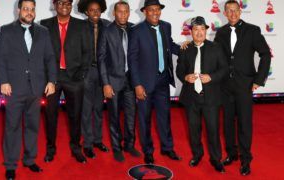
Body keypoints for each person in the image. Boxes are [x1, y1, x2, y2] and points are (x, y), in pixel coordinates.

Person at [0, 0, 57, 179]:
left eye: (32, 9)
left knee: (32, 126)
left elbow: (50, 58)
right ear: (18, 10)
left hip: (36, 88)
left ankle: (30, 160)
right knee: (12, 127)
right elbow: (0, 59)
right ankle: (10, 165)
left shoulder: (43, 32)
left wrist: (52, 80)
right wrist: (4, 81)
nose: (29, 12)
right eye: (26, 9)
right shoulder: (6, 31)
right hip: (13, 88)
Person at [214, 0, 271, 176]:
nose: (232, 13)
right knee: (228, 123)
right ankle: (232, 154)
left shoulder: (252, 30)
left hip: (245, 85)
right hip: (225, 86)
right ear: (224, 13)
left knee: (245, 124)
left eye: (235, 10)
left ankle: (246, 159)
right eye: (229, 11)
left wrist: (258, 79)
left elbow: (265, 54)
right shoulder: (220, 33)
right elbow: (216, 56)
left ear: (240, 11)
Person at [128, 0, 181, 164]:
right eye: (151, 10)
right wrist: (137, 84)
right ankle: (148, 151)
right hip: (144, 83)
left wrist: (189, 48)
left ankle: (167, 148)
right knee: (144, 119)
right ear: (145, 11)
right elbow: (132, 59)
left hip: (163, 80)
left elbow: (170, 45)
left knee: (164, 117)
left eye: (157, 9)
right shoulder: (136, 31)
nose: (155, 13)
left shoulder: (166, 26)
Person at [40, 0, 90, 163]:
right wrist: (48, 77)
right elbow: (41, 53)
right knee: (50, 115)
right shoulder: (44, 25)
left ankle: (76, 148)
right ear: (54, 5)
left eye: (68, 3)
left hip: (74, 78)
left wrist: (81, 74)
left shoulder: (81, 25)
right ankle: (50, 149)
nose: (65, 6)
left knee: (75, 116)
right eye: (61, 3)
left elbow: (87, 52)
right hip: (52, 79)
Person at [176, 16, 228, 173]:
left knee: (213, 129)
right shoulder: (185, 49)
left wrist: (211, 77)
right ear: (191, 32)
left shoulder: (216, 48)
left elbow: (224, 69)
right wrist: (185, 77)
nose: (199, 32)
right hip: (191, 98)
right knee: (194, 130)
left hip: (211, 98)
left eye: (202, 29)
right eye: (196, 29)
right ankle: (197, 155)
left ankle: (216, 159)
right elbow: (179, 70)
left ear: (206, 30)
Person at [97, 0, 141, 162]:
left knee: (131, 116)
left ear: (129, 12)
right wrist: (106, 84)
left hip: (131, 81)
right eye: (120, 11)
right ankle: (117, 147)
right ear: (114, 13)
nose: (123, 14)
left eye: (126, 11)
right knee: (114, 117)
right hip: (113, 82)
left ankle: (129, 145)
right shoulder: (106, 31)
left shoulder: (134, 29)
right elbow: (101, 59)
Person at [77, 0, 110, 159]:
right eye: (92, 10)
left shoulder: (108, 25)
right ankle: (88, 144)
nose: (95, 13)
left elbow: (128, 27)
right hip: (86, 72)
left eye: (98, 10)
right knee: (86, 110)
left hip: (103, 72)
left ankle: (98, 140)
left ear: (102, 10)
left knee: (98, 109)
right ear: (86, 12)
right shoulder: (79, 27)